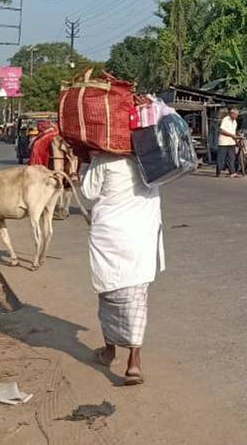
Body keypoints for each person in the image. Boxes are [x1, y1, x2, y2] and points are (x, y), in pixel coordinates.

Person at [77, 151, 164, 386]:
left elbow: (88, 191)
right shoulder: (152, 158)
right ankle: (134, 362)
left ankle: (109, 351)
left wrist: (84, 163)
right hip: (142, 233)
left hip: (111, 234)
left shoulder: (104, 159)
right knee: (137, 295)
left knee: (109, 293)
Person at [215, 107, 242, 177]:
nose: (236, 116)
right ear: (232, 114)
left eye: (237, 115)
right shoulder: (226, 120)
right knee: (221, 158)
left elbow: (233, 132)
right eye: (235, 115)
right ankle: (218, 172)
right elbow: (221, 131)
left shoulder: (235, 122)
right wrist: (232, 135)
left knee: (231, 158)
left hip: (231, 142)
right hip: (224, 142)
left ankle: (232, 172)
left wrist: (237, 139)